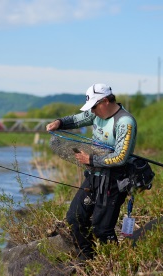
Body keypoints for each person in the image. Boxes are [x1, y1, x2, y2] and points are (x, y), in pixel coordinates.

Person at [46, 83, 137, 260]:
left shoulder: (125, 122)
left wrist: (90, 160)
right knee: (74, 218)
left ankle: (115, 266)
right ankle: (87, 260)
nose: (92, 111)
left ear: (104, 101)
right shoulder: (95, 113)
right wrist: (59, 123)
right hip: (93, 177)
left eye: (94, 106)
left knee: (102, 229)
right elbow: (76, 119)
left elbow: (120, 157)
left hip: (114, 181)